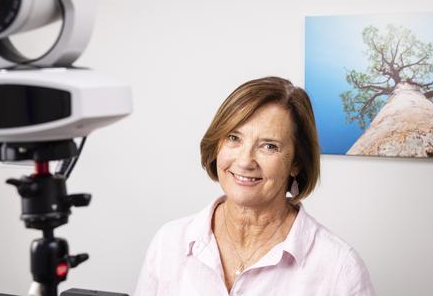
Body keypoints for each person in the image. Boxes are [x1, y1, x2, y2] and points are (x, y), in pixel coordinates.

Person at [134, 76, 376, 295]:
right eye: (234, 138)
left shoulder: (339, 268)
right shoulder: (169, 242)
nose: (245, 161)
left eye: (268, 146)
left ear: (296, 163)